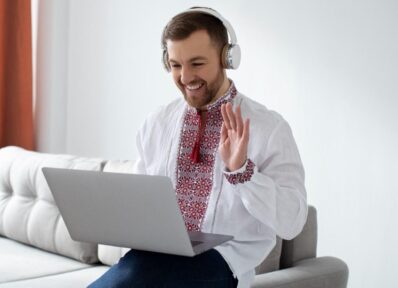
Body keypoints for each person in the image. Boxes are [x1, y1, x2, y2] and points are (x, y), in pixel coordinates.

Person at [89, 7, 307, 288]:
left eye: (197, 63)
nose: (185, 77)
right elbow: (140, 205)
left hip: (223, 262)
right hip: (153, 257)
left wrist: (241, 171)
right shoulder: (156, 123)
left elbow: (293, 222)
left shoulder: (269, 128)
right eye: (176, 65)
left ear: (226, 58)